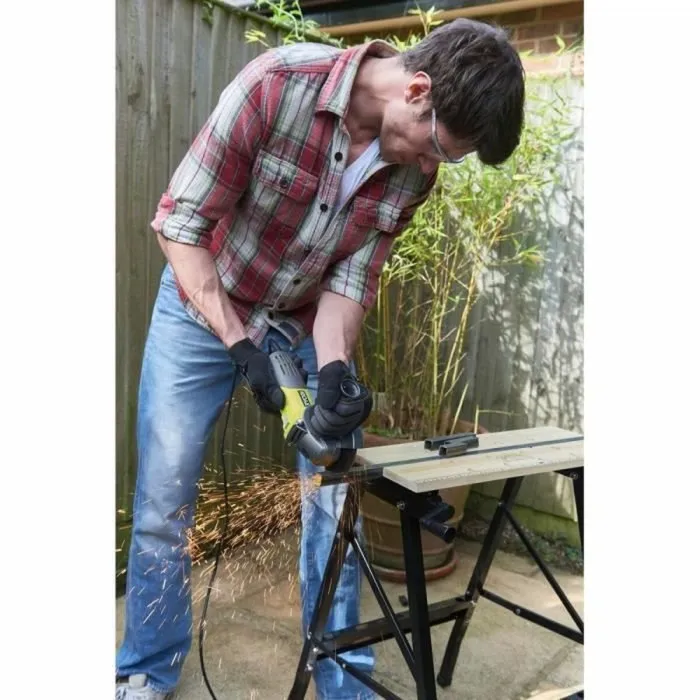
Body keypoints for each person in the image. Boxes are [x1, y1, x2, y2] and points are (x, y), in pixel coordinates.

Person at [115, 17, 525, 700]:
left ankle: (340, 674)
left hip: (303, 319)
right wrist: (238, 343)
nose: (432, 168)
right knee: (165, 496)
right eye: (440, 149)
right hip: (203, 304)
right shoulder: (277, 86)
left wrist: (332, 365)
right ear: (417, 90)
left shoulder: (412, 175)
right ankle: (146, 667)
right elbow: (180, 224)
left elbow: (351, 278)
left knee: (337, 497)